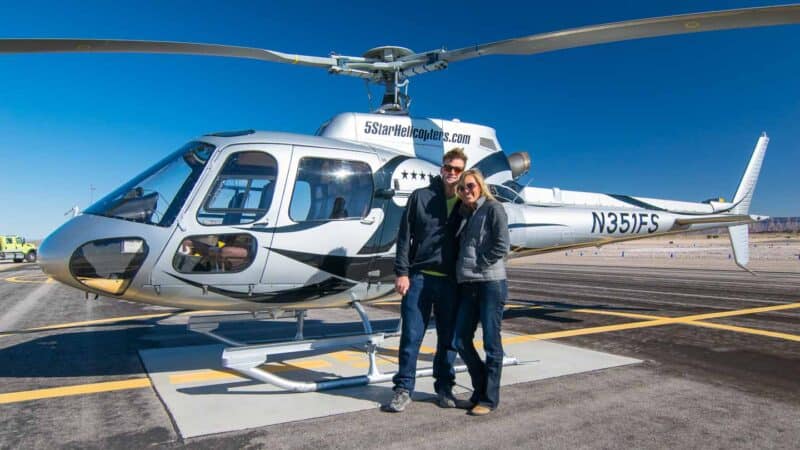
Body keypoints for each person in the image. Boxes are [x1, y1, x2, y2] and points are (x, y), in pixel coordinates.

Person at [382, 148, 468, 413]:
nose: (451, 173)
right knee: (411, 336)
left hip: (451, 282)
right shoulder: (421, 197)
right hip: (418, 278)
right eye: (447, 167)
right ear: (441, 169)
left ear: (463, 172)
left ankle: (444, 387)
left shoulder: (468, 202)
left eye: (457, 169)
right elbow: (404, 236)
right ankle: (403, 389)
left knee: (447, 339)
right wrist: (402, 272)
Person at [452, 168, 510, 416]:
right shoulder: (465, 213)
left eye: (471, 185)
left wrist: (480, 263)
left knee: (491, 343)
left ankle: (489, 399)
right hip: (468, 285)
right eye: (462, 188)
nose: (467, 191)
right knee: (460, 339)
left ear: (481, 186)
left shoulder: (493, 208)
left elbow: (502, 245)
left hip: (490, 284)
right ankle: (480, 388)